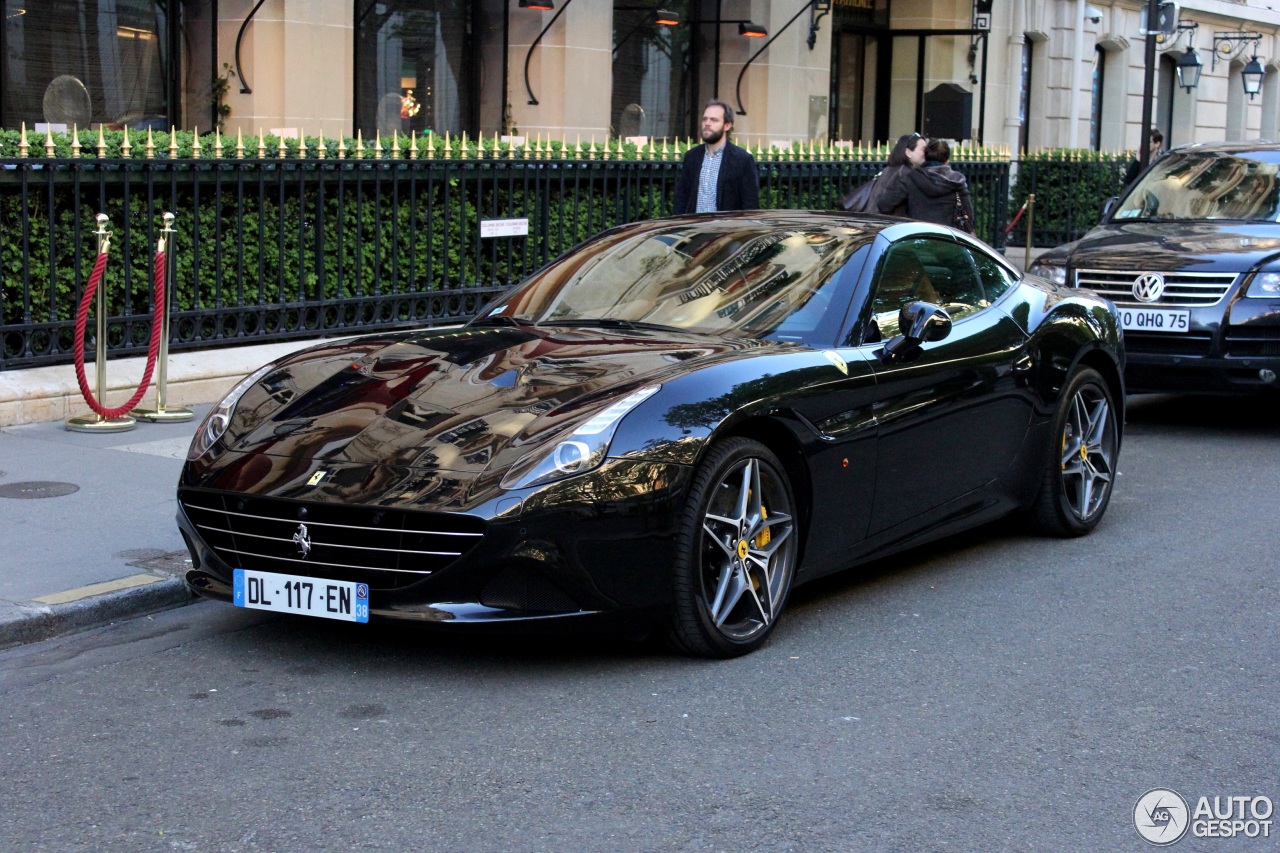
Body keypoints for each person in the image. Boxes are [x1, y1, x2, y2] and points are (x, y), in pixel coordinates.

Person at [673, 100, 760, 215]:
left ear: (727, 125)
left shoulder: (742, 160)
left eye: (714, 120)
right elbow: (681, 198)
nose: (707, 123)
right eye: (705, 119)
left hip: (725, 230)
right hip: (694, 229)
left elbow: (750, 205)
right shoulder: (692, 157)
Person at [877, 138, 975, 233]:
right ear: (947, 161)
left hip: (917, 237)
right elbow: (969, 216)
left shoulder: (909, 178)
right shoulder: (957, 181)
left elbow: (884, 205)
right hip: (947, 238)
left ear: (925, 157)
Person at [864, 132, 927, 216]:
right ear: (908, 152)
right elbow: (886, 204)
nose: (926, 153)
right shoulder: (905, 173)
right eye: (923, 150)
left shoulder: (890, 170)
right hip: (890, 224)